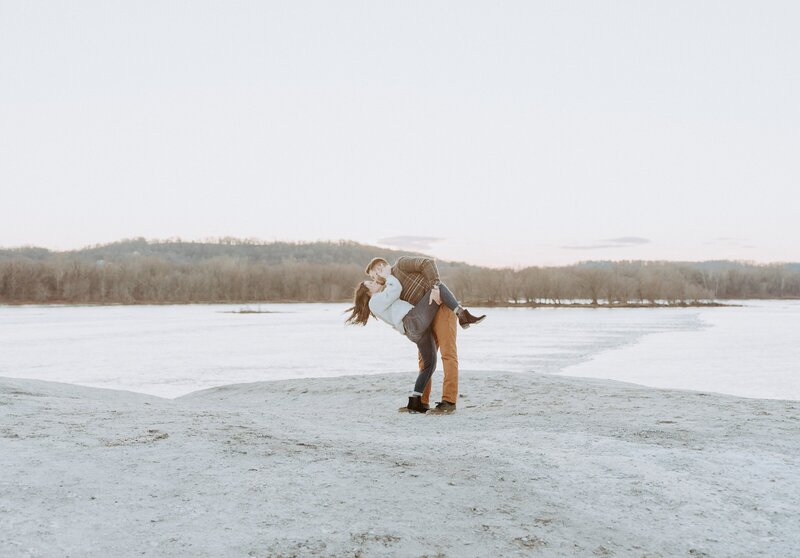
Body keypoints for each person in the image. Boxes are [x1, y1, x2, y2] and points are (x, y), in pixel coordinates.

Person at [345, 256, 484, 413]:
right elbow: (395, 303)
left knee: (447, 354)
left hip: (440, 308)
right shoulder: (387, 289)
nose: (375, 279)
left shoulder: (401, 265)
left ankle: (448, 401)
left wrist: (435, 287)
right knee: (425, 362)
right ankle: (420, 402)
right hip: (422, 318)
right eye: (372, 279)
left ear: (380, 267)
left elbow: (427, 263)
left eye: (374, 275)